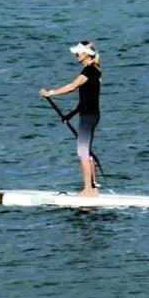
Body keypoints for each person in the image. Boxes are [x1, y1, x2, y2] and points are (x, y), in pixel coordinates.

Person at [39, 41, 102, 195]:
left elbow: (72, 86)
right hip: (91, 115)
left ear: (86, 54)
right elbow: (85, 101)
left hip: (88, 117)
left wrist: (50, 93)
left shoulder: (88, 72)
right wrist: (69, 116)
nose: (76, 55)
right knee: (87, 152)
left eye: (78, 52)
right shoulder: (96, 71)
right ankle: (93, 190)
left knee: (83, 153)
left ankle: (88, 190)